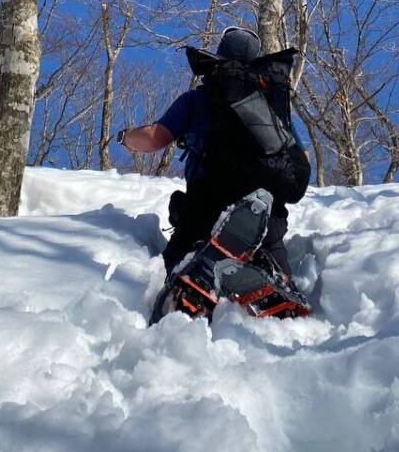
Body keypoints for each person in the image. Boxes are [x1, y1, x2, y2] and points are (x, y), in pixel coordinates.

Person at [117, 26, 305, 278]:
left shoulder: (197, 99)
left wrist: (126, 137)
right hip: (263, 209)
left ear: (218, 57)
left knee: (177, 268)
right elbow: (300, 159)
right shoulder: (270, 105)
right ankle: (280, 291)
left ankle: (183, 290)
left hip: (206, 204)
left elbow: (154, 139)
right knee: (275, 267)